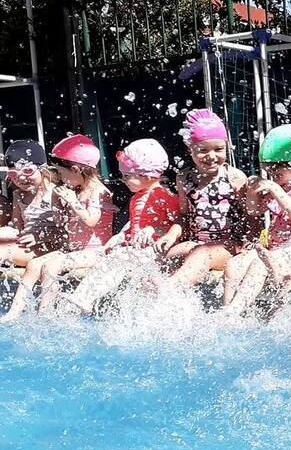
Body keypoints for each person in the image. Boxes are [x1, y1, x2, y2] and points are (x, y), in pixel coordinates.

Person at [2, 134, 116, 321]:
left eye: (62, 174)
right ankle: (14, 313)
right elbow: (61, 221)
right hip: (73, 250)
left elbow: (91, 221)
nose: (60, 178)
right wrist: (58, 200)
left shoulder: (99, 191)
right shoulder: (78, 190)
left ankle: (45, 315)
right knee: (34, 265)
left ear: (76, 169)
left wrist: (73, 202)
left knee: (50, 266)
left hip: (96, 252)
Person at [222, 124, 291, 316]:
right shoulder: (282, 185)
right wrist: (252, 191)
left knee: (260, 264)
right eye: (271, 173)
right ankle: (228, 311)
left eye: (277, 173)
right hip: (276, 249)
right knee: (234, 264)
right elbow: (253, 211)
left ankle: (233, 312)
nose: (274, 177)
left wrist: (274, 188)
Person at [61, 139, 179, 313]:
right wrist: (121, 236)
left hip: (156, 252)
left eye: (127, 176)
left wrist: (155, 230)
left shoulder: (166, 197)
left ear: (147, 176)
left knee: (118, 260)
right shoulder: (136, 197)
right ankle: (83, 298)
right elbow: (135, 227)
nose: (123, 180)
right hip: (138, 251)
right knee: (112, 259)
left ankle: (85, 298)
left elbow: (178, 226)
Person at [154, 109, 248, 287]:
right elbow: (184, 216)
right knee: (167, 256)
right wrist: (171, 235)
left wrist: (249, 245)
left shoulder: (235, 177)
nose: (211, 156)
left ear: (226, 147)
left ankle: (168, 288)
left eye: (218, 149)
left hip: (230, 246)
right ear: (190, 149)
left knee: (202, 253)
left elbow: (250, 217)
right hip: (197, 244)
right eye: (202, 150)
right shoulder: (184, 178)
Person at [0, 140, 64, 268]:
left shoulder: (56, 193)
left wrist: (40, 236)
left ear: (43, 169)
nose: (21, 178)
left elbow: (67, 231)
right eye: (13, 174)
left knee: (2, 253)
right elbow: (17, 227)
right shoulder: (18, 195)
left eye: (28, 171)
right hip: (29, 244)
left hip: (52, 247)